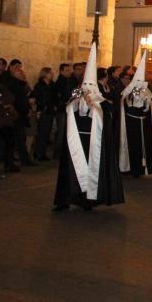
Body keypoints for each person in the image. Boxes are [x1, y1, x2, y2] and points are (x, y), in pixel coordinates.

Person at [53, 44, 124, 210]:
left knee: (92, 171)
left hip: (93, 144)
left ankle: (89, 200)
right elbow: (69, 110)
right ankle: (66, 200)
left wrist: (94, 106)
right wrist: (76, 101)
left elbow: (105, 116)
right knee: (71, 170)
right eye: (85, 87)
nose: (87, 91)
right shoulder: (76, 101)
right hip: (76, 140)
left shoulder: (102, 104)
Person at [118, 53, 152, 177]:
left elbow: (148, 107)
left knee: (144, 147)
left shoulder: (146, 92)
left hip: (144, 123)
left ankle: (144, 168)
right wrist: (135, 96)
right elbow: (128, 104)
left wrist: (146, 100)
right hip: (132, 124)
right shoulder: (128, 92)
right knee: (134, 147)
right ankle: (132, 168)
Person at [1, 59, 35, 168]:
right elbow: (18, 100)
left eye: (20, 69)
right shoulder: (11, 84)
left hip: (20, 113)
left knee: (20, 138)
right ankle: (14, 161)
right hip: (15, 114)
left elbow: (26, 97)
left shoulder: (19, 84)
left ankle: (21, 159)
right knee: (16, 138)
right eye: (17, 69)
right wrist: (25, 110)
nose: (20, 71)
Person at [32, 67, 57, 161]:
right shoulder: (39, 85)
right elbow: (38, 98)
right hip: (43, 110)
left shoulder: (52, 85)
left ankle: (42, 152)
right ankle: (38, 153)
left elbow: (54, 96)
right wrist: (43, 106)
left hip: (50, 110)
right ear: (45, 74)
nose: (52, 74)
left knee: (46, 133)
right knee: (42, 132)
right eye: (50, 73)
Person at [53, 63, 74, 161]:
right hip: (62, 110)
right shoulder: (59, 83)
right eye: (66, 70)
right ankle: (57, 153)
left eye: (69, 70)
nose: (69, 72)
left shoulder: (69, 81)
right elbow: (60, 96)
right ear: (61, 71)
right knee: (61, 132)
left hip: (68, 108)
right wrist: (65, 101)